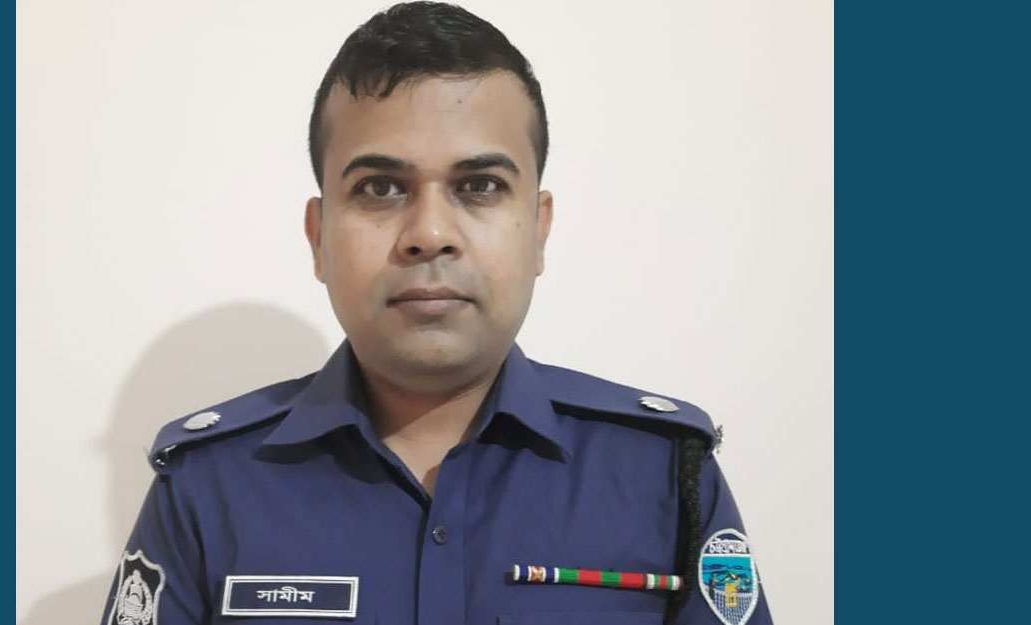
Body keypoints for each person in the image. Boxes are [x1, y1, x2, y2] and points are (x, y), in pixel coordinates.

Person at [101, 3, 773, 624]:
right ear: (318, 236)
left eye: (479, 185)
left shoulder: (664, 475)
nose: (429, 233)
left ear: (539, 231)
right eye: (380, 187)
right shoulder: (208, 487)